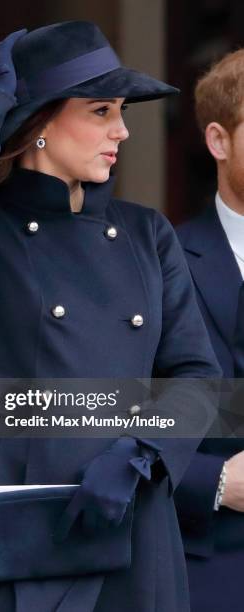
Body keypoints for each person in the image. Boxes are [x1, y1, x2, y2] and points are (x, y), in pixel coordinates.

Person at [0, 22, 221, 612]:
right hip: (8, 505)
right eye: (101, 110)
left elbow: (198, 375)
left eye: (123, 111)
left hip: (127, 501)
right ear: (40, 123)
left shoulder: (147, 232)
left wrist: (141, 454)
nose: (122, 130)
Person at [175, 50, 244, 612]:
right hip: (209, 570)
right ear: (219, 142)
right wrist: (214, 480)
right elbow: (103, 415)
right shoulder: (155, 262)